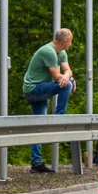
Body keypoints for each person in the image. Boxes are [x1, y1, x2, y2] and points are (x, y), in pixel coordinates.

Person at [23, 29, 76, 174]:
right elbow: (56, 76)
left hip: (41, 90)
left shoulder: (61, 52)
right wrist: (68, 79)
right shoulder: (48, 51)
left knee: (37, 126)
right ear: (65, 42)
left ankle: (36, 163)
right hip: (33, 89)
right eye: (70, 42)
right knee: (67, 86)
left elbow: (67, 71)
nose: (71, 44)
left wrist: (69, 77)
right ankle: (59, 118)